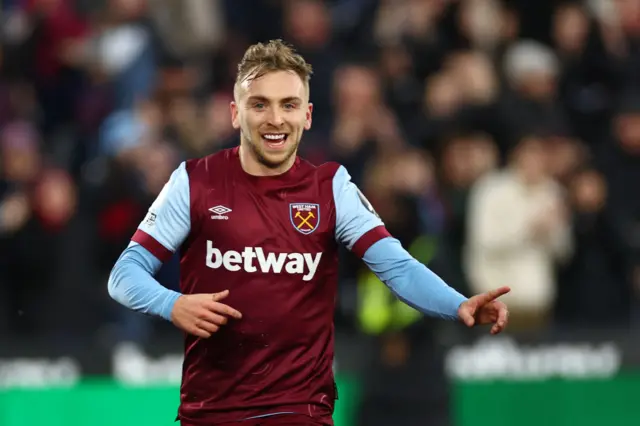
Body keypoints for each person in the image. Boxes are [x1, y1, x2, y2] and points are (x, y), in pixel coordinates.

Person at [107, 39, 510, 426]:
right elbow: (124, 274)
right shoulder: (194, 182)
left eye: (289, 105)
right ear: (235, 113)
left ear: (308, 115)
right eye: (259, 104)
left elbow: (397, 267)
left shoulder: (331, 187)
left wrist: (457, 305)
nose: (276, 119)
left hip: (300, 412)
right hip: (212, 412)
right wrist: (172, 304)